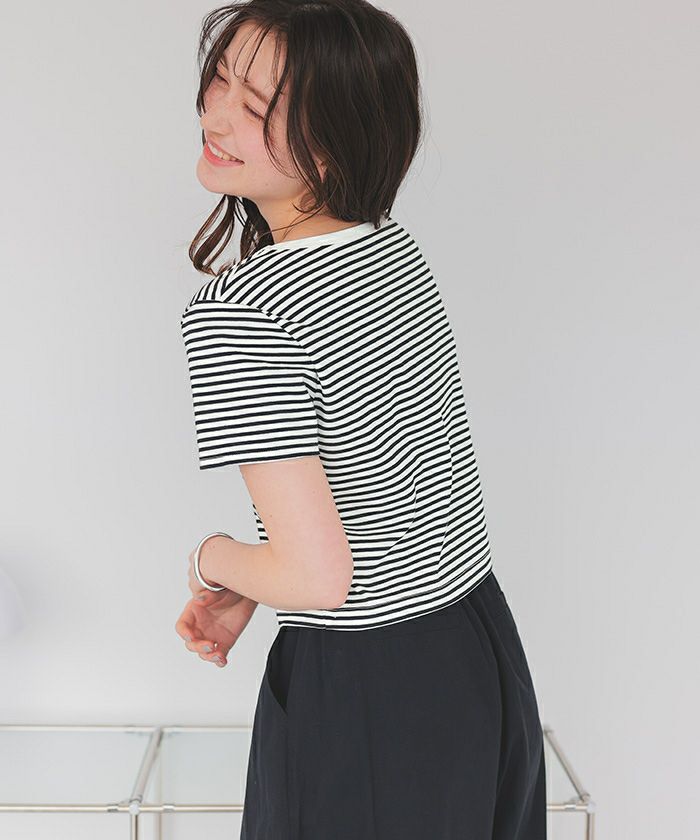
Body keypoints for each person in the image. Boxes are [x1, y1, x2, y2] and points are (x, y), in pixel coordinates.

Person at [174, 1, 547, 838]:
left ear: (335, 142)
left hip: (364, 699)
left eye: (257, 105)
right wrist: (254, 581)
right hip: (478, 647)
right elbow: (384, 487)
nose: (217, 115)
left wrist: (210, 558)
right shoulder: (391, 252)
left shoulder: (240, 309)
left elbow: (318, 580)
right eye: (220, 79)